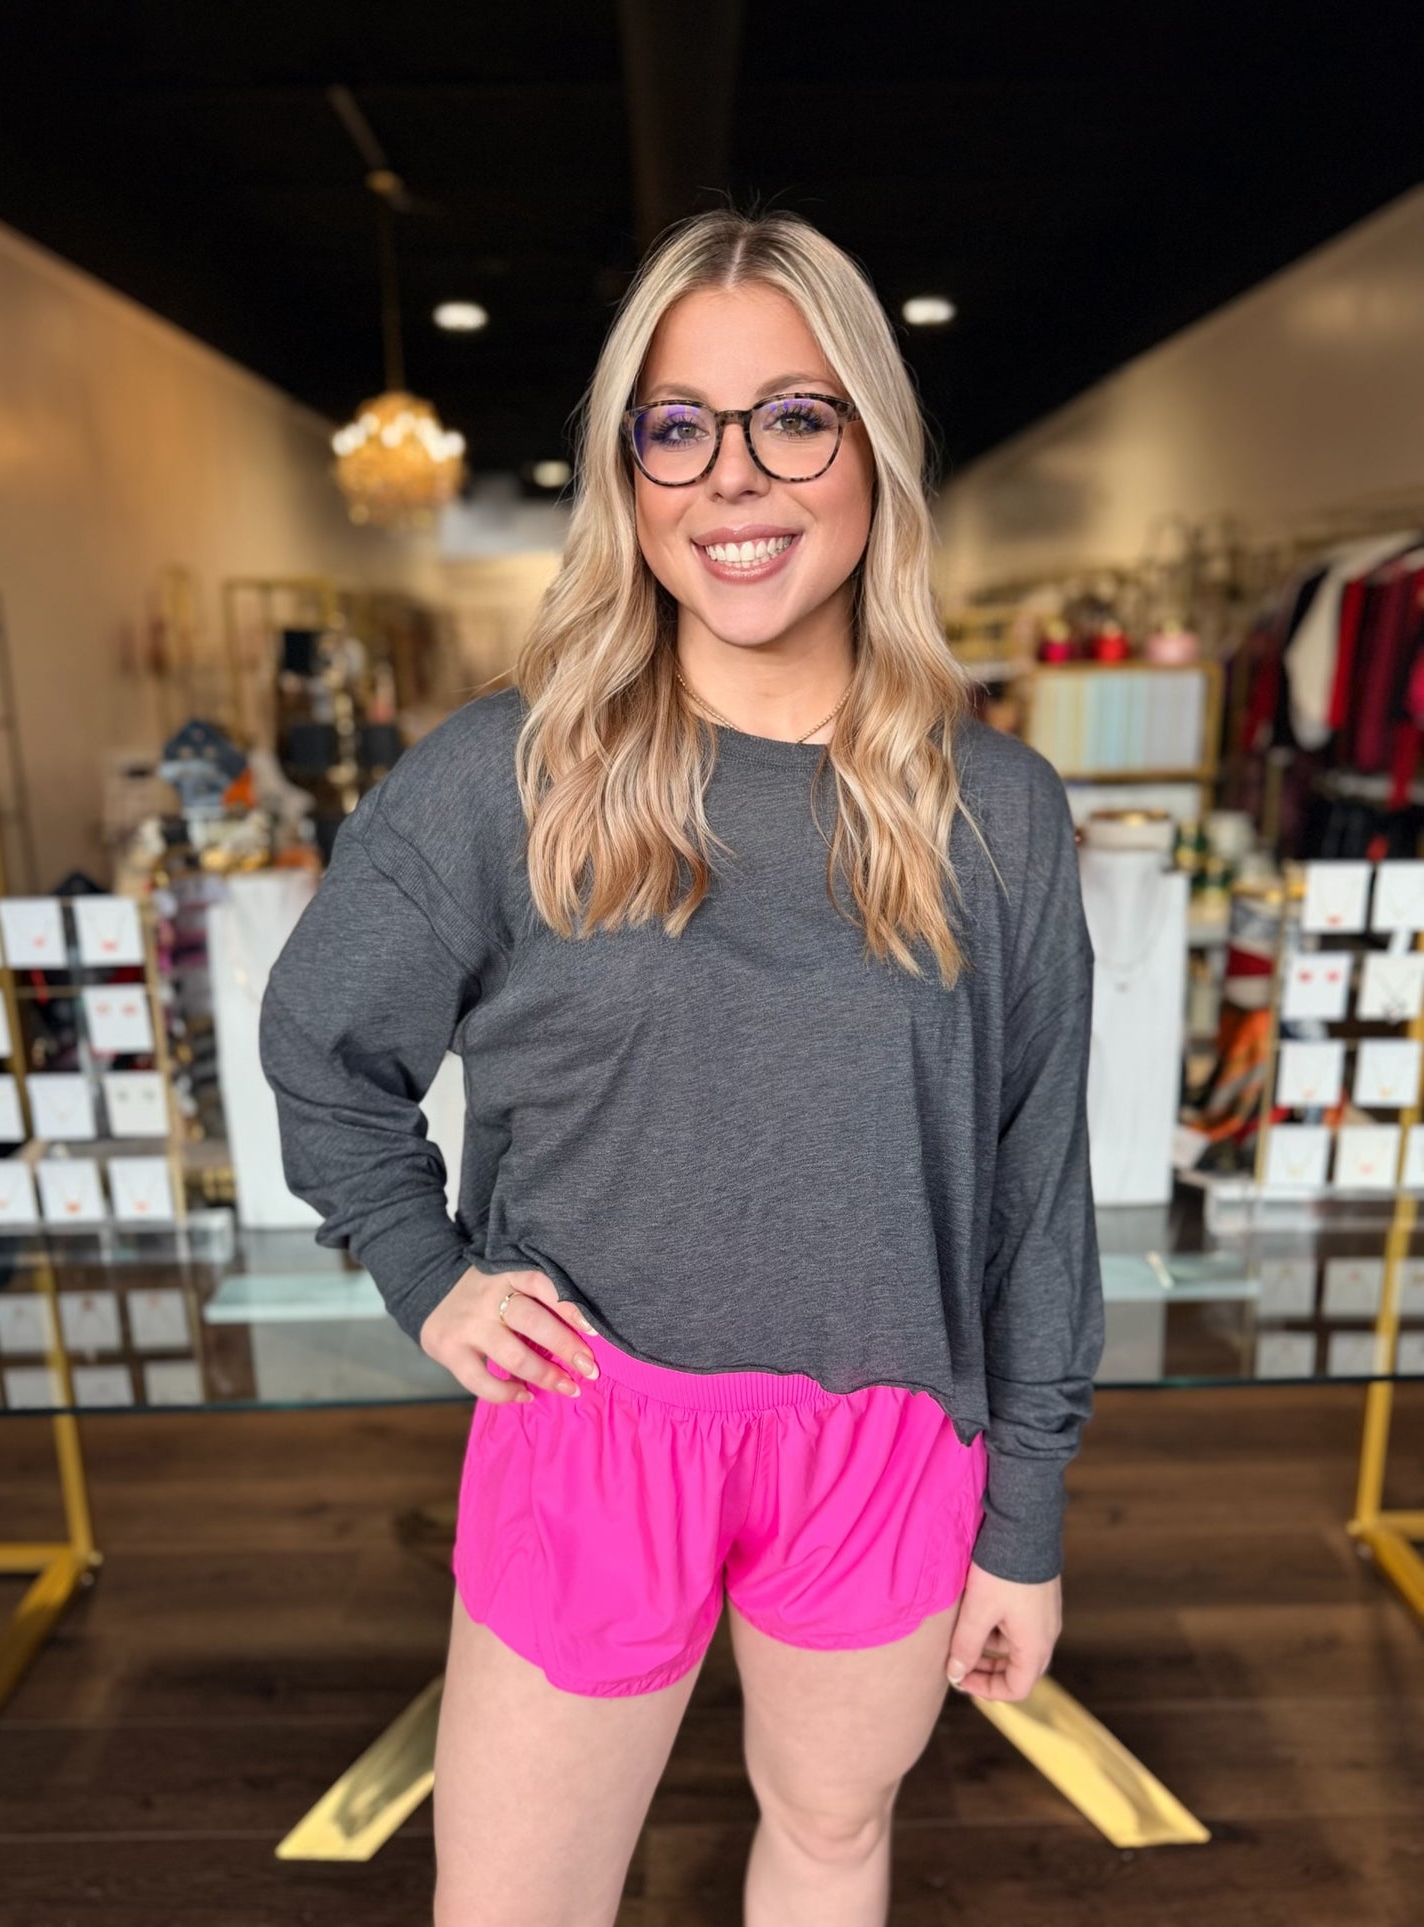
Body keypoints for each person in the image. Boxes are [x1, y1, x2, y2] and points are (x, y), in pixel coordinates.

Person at [259, 204, 1104, 1927]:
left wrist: (1024, 1512)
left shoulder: (992, 809)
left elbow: (1030, 1184)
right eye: (677, 427)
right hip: (592, 1425)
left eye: (795, 417)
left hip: (884, 1437)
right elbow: (321, 1050)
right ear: (627, 476)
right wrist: (427, 1277)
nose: (736, 480)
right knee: (512, 1905)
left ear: (870, 448)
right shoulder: (512, 776)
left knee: (830, 1836)